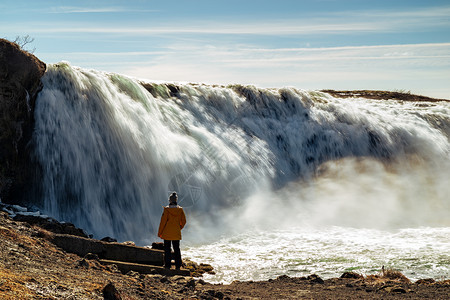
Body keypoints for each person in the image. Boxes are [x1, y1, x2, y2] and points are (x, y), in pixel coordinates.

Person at [158, 192, 187, 269]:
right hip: (176, 233)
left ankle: (168, 265)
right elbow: (184, 221)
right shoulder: (180, 210)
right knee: (177, 249)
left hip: (167, 233)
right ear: (176, 200)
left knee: (167, 249)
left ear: (170, 200)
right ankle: (178, 265)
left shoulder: (167, 210)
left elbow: (162, 222)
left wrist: (160, 233)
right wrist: (179, 227)